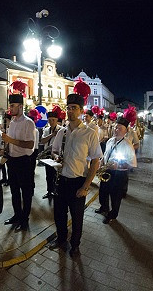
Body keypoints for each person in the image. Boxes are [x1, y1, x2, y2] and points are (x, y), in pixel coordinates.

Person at [48, 78, 102, 257]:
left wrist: (86, 186)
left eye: (74, 108)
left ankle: (75, 244)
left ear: (81, 111)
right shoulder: (62, 132)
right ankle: (61, 238)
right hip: (61, 180)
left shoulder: (89, 133)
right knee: (59, 215)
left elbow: (95, 161)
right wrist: (56, 157)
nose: (70, 111)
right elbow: (54, 151)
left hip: (78, 181)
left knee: (77, 218)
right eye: (68, 108)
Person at [2, 80, 35, 231]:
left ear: (20, 106)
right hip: (12, 161)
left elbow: (29, 145)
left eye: (13, 106)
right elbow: (10, 141)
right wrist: (6, 148)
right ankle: (17, 215)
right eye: (10, 106)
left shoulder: (28, 123)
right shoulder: (12, 122)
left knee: (25, 192)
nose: (10, 109)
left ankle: (24, 218)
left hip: (24, 161)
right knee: (14, 190)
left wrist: (11, 140)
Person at [95, 107, 137, 224]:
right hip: (107, 171)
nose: (116, 130)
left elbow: (132, 164)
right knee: (103, 192)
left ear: (126, 131)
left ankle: (112, 215)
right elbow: (105, 155)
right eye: (115, 127)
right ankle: (104, 207)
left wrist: (118, 165)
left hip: (119, 174)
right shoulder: (110, 141)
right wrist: (101, 162)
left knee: (115, 196)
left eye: (119, 128)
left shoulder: (128, 144)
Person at [40, 105, 63, 199]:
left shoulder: (61, 129)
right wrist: (52, 134)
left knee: (56, 175)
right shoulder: (46, 130)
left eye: (53, 120)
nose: (51, 122)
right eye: (49, 120)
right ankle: (49, 191)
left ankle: (56, 191)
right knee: (48, 175)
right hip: (47, 155)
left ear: (57, 120)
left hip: (56, 155)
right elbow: (42, 141)